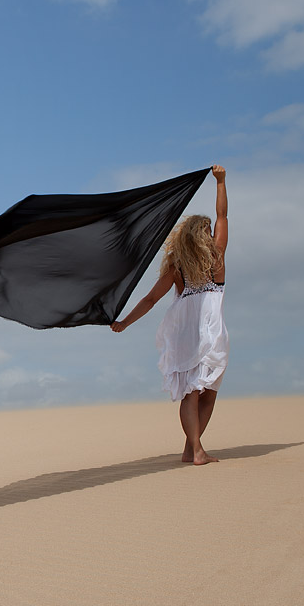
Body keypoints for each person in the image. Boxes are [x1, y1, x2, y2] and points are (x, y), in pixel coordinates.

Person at [111, 165, 228, 465]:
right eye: (206, 231)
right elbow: (150, 299)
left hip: (198, 332)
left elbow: (150, 300)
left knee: (202, 391)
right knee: (200, 392)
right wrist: (221, 182)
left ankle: (192, 447)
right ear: (197, 238)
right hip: (201, 333)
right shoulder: (199, 263)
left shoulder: (200, 263)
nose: (211, 233)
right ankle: (197, 449)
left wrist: (125, 322)